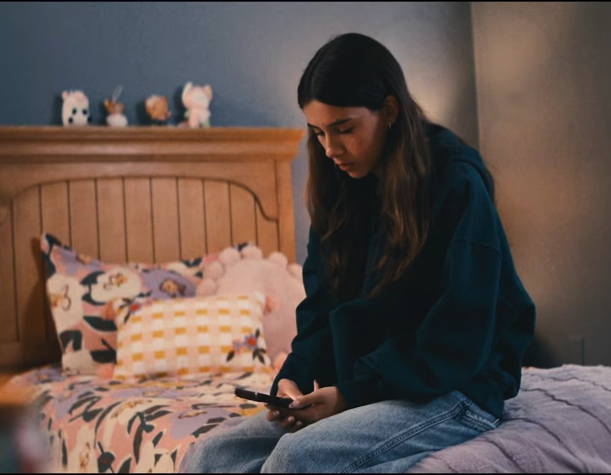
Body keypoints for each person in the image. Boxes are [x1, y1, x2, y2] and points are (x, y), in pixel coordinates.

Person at [182, 33, 536, 473]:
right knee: (210, 456)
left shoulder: (456, 183)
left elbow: (459, 335)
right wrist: (293, 377)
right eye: (318, 133)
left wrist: (351, 394)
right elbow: (321, 309)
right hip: (375, 387)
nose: (330, 149)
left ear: (389, 110)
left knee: (298, 458)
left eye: (344, 129)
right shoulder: (338, 189)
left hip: (458, 387)